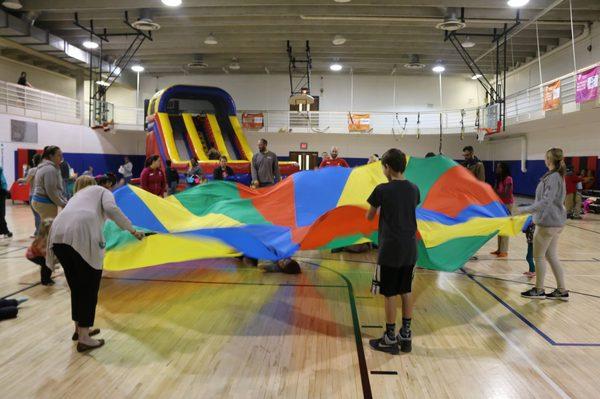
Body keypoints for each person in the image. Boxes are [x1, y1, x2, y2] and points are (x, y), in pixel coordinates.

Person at [46, 175, 145, 352]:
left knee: (76, 286)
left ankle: (80, 329)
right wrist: (133, 230)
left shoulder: (77, 196)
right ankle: (84, 338)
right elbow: (112, 209)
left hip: (58, 234)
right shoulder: (102, 192)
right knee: (88, 287)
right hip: (80, 232)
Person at [366, 148, 420, 354]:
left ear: (387, 167)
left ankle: (389, 338)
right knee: (406, 290)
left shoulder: (381, 190)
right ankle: (405, 335)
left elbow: (369, 218)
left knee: (389, 294)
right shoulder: (414, 189)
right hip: (410, 248)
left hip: (390, 249)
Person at [516, 148, 568, 301]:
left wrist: (524, 210)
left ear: (549, 160)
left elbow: (546, 202)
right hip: (556, 222)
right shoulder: (557, 175)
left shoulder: (553, 177)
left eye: (546, 157)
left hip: (547, 223)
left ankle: (539, 290)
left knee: (538, 256)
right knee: (551, 256)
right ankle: (562, 290)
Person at [31, 146, 67, 220]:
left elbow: (55, 189)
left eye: (61, 155)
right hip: (44, 202)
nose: (61, 158)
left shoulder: (49, 167)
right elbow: (51, 191)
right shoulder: (50, 169)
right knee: (49, 228)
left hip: (40, 201)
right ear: (51, 156)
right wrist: (62, 203)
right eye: (58, 155)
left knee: (45, 226)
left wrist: (63, 200)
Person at [491, 162, 514, 257]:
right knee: (500, 227)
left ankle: (504, 251)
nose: (497, 169)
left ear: (503, 168)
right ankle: (499, 249)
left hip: (507, 205)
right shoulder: (499, 179)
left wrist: (495, 193)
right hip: (500, 204)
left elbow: (507, 194)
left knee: (505, 227)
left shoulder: (508, 179)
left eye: (498, 167)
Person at [18, 153, 43, 237]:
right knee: (40, 214)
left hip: (34, 195)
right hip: (43, 195)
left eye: (33, 159)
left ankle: (39, 233)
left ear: (35, 160)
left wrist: (19, 180)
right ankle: (38, 232)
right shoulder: (44, 169)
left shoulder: (32, 170)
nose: (32, 160)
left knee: (37, 215)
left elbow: (26, 181)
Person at [26, 218, 54, 285]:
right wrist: (49, 259)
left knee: (48, 264)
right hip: (33, 255)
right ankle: (45, 281)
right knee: (46, 264)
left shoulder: (49, 235)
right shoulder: (42, 238)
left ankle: (48, 279)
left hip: (39, 254)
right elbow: (42, 250)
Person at [0, 165, 12, 238]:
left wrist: (5, 191)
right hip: (1, 193)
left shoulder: (0, 170)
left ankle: (5, 231)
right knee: (1, 213)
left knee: (2, 213)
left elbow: (3, 182)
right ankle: (5, 231)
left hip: (2, 193)